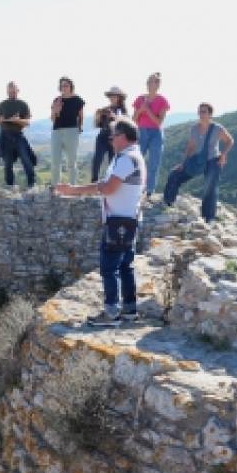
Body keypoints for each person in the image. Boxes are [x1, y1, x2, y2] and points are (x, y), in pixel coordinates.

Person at [56, 118, 146, 326]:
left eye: (113, 136)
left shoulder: (126, 159)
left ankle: (111, 313)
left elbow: (108, 188)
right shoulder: (134, 156)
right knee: (125, 266)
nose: (110, 140)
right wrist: (81, 189)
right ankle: (129, 310)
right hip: (129, 218)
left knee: (109, 268)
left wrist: (75, 190)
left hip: (118, 222)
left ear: (123, 137)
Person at [163, 103, 234, 222]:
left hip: (213, 160)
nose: (201, 114)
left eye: (204, 112)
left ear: (210, 114)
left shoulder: (217, 128)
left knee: (209, 188)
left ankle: (208, 218)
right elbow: (191, 146)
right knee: (174, 175)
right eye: (199, 112)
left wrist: (223, 155)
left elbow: (230, 141)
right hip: (197, 160)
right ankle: (168, 203)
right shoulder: (194, 129)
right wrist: (183, 163)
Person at [133, 72, 170, 198]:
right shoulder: (139, 99)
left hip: (156, 133)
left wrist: (147, 110)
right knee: (137, 160)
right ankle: (136, 186)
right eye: (148, 81)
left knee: (154, 162)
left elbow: (159, 122)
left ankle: (149, 190)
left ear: (158, 84)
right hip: (141, 131)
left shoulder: (162, 101)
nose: (149, 84)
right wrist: (140, 109)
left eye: (152, 82)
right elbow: (134, 119)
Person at [0, 81, 36, 188]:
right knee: (7, 163)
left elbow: (27, 123)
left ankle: (31, 184)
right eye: (10, 91)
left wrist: (17, 120)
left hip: (18, 135)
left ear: (18, 90)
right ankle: (9, 186)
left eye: (13, 91)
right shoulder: (2, 104)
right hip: (5, 135)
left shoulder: (23, 104)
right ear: (7, 91)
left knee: (26, 159)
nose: (12, 93)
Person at [50, 76, 85, 185]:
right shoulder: (57, 100)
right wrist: (56, 110)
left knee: (71, 161)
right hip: (56, 131)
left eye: (66, 85)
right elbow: (52, 119)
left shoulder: (77, 100)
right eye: (62, 86)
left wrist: (79, 128)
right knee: (55, 161)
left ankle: (73, 186)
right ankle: (55, 186)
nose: (64, 87)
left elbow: (81, 116)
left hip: (72, 131)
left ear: (71, 87)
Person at [90, 86, 128, 182]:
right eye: (111, 96)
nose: (112, 98)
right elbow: (98, 125)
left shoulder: (123, 111)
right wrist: (98, 116)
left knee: (112, 162)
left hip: (115, 139)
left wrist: (113, 116)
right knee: (97, 159)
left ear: (119, 97)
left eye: (114, 96)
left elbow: (124, 124)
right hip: (103, 137)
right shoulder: (105, 109)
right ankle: (94, 181)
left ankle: (110, 182)